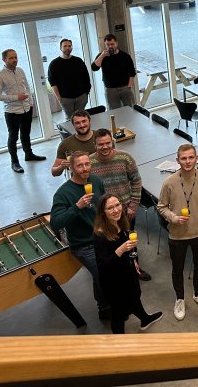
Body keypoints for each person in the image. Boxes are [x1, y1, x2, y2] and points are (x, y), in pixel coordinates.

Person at [156, 144, 198, 321]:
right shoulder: (169, 182)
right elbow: (161, 206)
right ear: (178, 160)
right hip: (177, 235)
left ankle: (197, 294)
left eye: (191, 157)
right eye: (183, 158)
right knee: (178, 269)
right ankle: (179, 299)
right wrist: (173, 218)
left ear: (196, 158)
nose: (188, 161)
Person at [50, 152, 109, 319]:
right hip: (83, 244)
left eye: (87, 164)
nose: (85, 169)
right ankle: (105, 307)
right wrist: (77, 206)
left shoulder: (95, 181)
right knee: (101, 274)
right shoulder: (63, 193)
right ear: (71, 168)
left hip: (102, 237)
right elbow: (55, 223)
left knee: (107, 272)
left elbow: (103, 205)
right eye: (80, 165)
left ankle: (108, 303)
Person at [93, 194, 162, 334]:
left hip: (127, 272)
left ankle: (145, 319)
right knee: (118, 313)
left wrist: (134, 260)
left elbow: (130, 247)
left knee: (134, 298)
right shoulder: (100, 235)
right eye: (110, 208)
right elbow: (103, 266)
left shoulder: (122, 223)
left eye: (117, 205)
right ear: (103, 212)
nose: (116, 210)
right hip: (114, 282)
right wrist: (120, 250)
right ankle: (119, 342)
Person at [90, 128, 150, 281]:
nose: (105, 147)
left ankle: (135, 267)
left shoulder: (125, 157)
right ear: (95, 145)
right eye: (100, 144)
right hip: (104, 214)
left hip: (125, 211)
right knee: (109, 244)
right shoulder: (89, 163)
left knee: (130, 242)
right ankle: (117, 272)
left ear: (112, 142)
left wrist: (133, 206)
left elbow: (136, 181)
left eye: (107, 143)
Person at [0, 48, 46, 174]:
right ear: (4, 60)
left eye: (15, 57)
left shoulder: (20, 70)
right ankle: (14, 162)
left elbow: (26, 86)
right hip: (12, 111)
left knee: (26, 134)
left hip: (26, 108)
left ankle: (29, 154)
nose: (14, 60)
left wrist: (30, 102)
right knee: (13, 137)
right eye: (11, 58)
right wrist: (16, 97)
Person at [48, 38, 92, 119]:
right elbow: (52, 83)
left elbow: (86, 77)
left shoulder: (78, 61)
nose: (67, 48)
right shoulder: (54, 64)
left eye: (69, 46)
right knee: (70, 120)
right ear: (60, 48)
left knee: (81, 118)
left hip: (81, 97)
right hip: (65, 99)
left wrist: (86, 93)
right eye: (65, 46)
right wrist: (59, 98)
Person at [91, 34, 136, 110]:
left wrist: (129, 86)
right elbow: (94, 68)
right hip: (110, 89)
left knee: (131, 109)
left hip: (125, 87)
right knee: (114, 111)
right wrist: (102, 56)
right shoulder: (102, 56)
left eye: (112, 44)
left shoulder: (125, 56)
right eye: (108, 45)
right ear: (105, 45)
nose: (110, 46)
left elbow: (132, 72)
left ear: (116, 43)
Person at [51, 109, 96, 177]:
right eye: (77, 123)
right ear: (73, 125)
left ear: (89, 121)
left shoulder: (100, 137)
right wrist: (61, 167)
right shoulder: (65, 144)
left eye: (84, 121)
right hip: (79, 180)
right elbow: (54, 172)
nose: (81, 125)